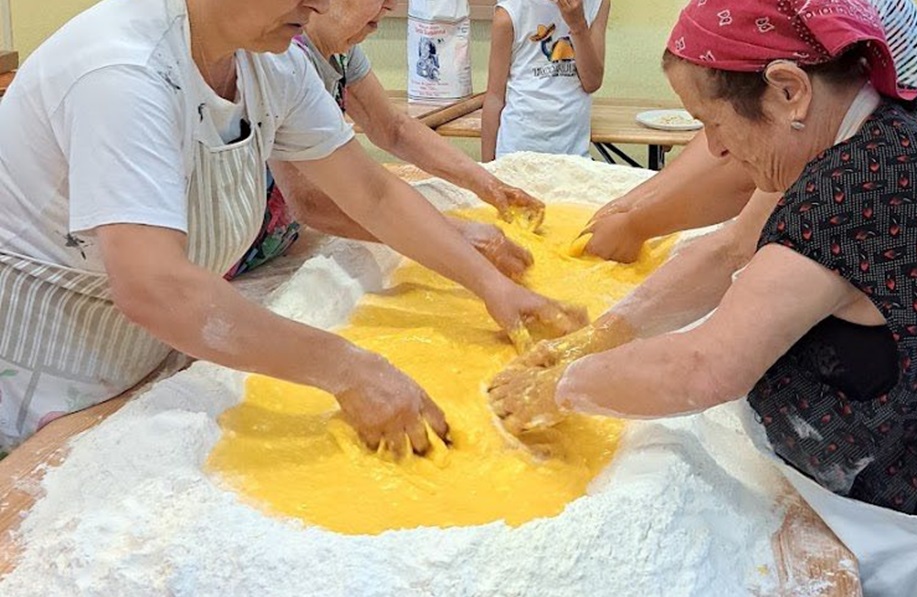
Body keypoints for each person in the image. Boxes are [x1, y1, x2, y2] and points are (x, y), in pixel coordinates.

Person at [488, 1, 917, 594]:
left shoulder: (857, 188)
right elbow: (733, 249)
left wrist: (559, 387)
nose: (717, 150)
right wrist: (608, 331)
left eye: (713, 123)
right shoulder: (890, 130)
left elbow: (703, 368)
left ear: (789, 91)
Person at [0, 0, 586, 455]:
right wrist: (349, 370)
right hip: (40, 375)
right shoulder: (122, 72)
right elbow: (155, 285)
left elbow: (373, 193)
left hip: (141, 351)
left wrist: (493, 287)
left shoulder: (266, 58)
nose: (318, 2)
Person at [582, 0, 917, 264]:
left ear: (791, 90)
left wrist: (637, 225)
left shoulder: (827, 132)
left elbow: (750, 181)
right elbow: (729, 115)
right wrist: (632, 204)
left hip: (911, 206)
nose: (716, 142)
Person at [229, 0, 546, 282]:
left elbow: (394, 129)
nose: (391, 5)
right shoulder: (283, 57)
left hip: (273, 248)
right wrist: (454, 235)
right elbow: (312, 201)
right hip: (228, 258)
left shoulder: (340, 51)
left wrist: (489, 186)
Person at [482, 0, 611, 161]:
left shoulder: (597, 4)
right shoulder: (509, 12)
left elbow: (592, 82)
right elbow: (494, 97)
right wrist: (487, 170)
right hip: (517, 151)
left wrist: (578, 25)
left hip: (573, 154)